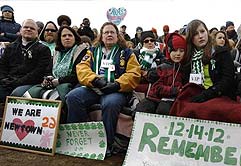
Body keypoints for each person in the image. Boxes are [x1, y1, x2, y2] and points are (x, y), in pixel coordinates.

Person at [66, 22, 141, 155]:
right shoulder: (92, 51)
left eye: (112, 32)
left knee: (110, 103)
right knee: (73, 97)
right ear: (101, 36)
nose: (109, 35)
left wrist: (118, 84)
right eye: (106, 32)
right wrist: (95, 80)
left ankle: (106, 144)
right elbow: (82, 68)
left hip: (116, 89)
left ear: (118, 36)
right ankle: (79, 138)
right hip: (95, 87)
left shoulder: (128, 53)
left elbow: (134, 73)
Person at [23, 26, 88, 102]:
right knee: (30, 96)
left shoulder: (82, 52)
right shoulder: (57, 52)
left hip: (71, 84)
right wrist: (48, 78)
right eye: (64, 36)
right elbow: (49, 70)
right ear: (60, 39)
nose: (67, 38)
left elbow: (77, 75)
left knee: (54, 98)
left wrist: (59, 81)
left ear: (75, 38)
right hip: (53, 83)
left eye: (70, 35)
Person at [0, 19, 52, 103]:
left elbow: (39, 72)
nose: (28, 29)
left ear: (37, 33)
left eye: (32, 28)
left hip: (29, 83)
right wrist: (3, 80)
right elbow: (2, 66)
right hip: (8, 81)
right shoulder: (10, 47)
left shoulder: (44, 49)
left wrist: (17, 82)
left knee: (16, 94)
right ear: (20, 30)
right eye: (26, 27)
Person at [185, 19, 235, 103]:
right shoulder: (188, 57)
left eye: (202, 31)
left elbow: (227, 80)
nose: (200, 36)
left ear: (207, 32)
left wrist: (206, 94)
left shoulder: (221, 52)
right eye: (195, 34)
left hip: (219, 96)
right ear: (190, 38)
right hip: (196, 95)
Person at [135, 33, 186, 115]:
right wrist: (175, 90)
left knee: (163, 110)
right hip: (155, 98)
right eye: (175, 50)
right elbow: (157, 87)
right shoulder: (163, 67)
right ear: (169, 50)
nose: (178, 54)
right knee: (142, 109)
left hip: (172, 101)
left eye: (181, 51)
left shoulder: (184, 69)